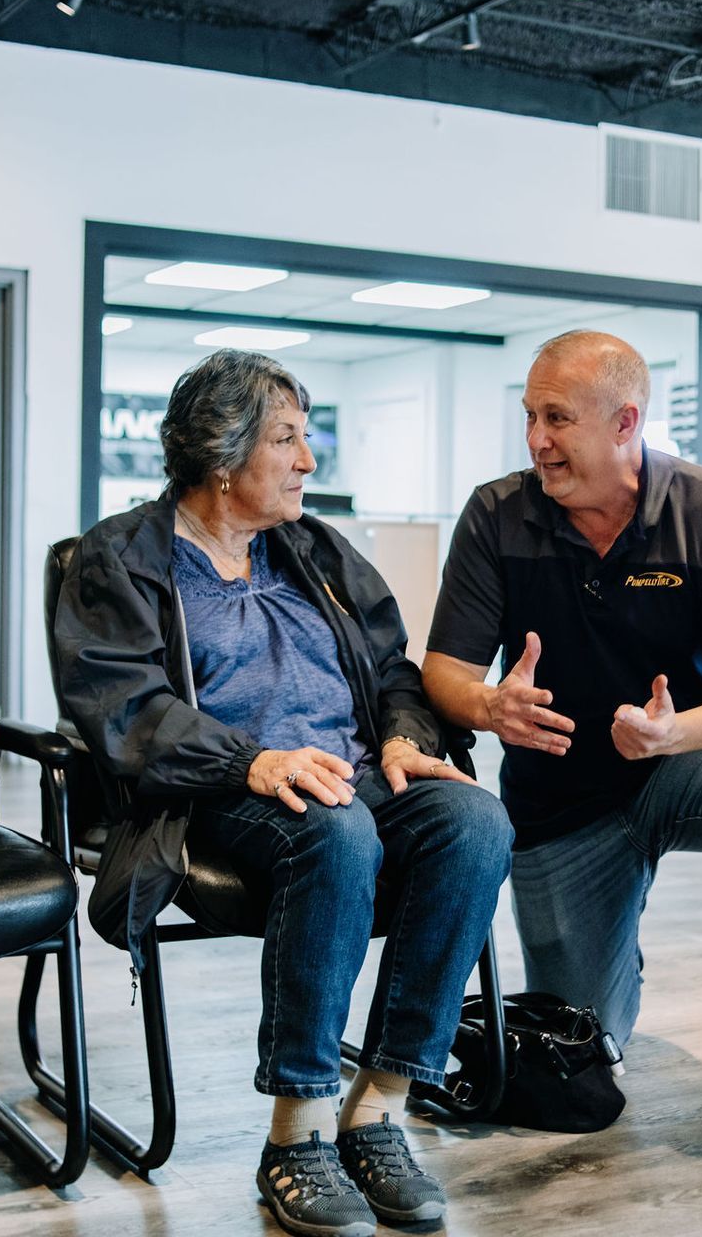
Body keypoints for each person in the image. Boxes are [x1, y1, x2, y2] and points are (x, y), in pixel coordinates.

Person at [53, 349, 514, 1237]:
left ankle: (378, 1107)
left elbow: (391, 670)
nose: (309, 461)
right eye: (287, 440)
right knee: (336, 830)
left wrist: (405, 740)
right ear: (223, 459)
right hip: (215, 794)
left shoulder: (318, 551)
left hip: (350, 773)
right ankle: (297, 1131)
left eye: (306, 440)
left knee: (474, 822)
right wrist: (252, 762)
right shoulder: (122, 559)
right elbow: (125, 708)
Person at [420, 330, 702, 1144]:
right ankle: (612, 962)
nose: (536, 440)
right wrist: (489, 707)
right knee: (584, 1063)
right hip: (560, 810)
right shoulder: (496, 515)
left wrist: (676, 734)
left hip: (686, 772)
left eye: (557, 418)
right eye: (529, 416)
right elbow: (444, 670)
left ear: (626, 421)